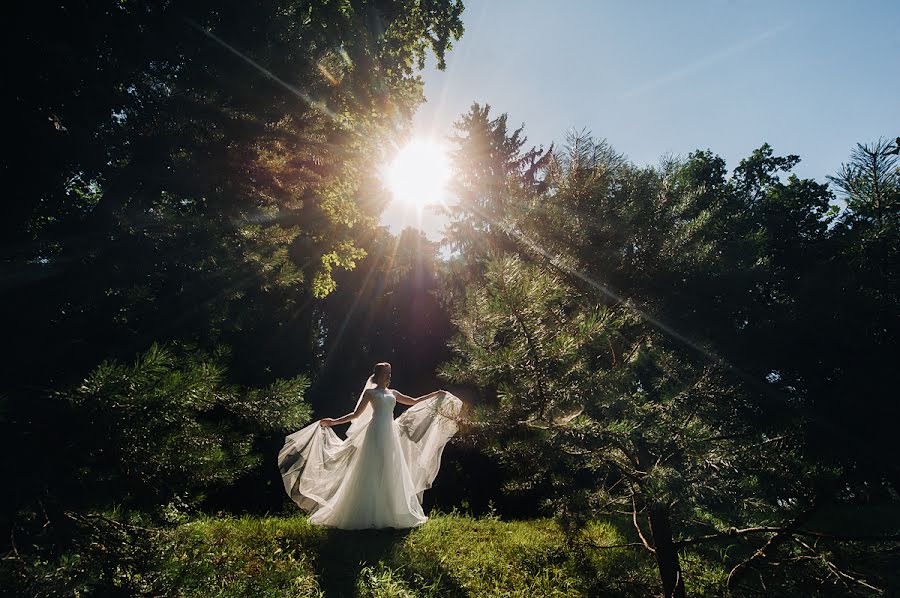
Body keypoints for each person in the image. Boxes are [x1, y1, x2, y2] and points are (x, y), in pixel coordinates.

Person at [277, 362, 463, 529]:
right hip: (374, 433)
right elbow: (356, 415)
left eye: (390, 373)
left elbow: (413, 401)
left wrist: (436, 394)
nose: (389, 376)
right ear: (379, 374)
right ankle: (365, 513)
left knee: (390, 469)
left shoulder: (393, 393)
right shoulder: (370, 393)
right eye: (387, 373)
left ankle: (390, 512)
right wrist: (333, 422)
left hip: (390, 434)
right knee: (370, 470)